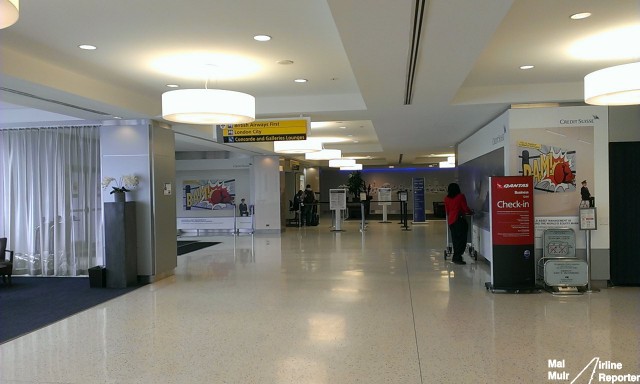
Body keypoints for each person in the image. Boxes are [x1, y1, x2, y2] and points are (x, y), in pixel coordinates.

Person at [444, 183, 473, 265]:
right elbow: (465, 208)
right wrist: (471, 212)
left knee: (455, 240)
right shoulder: (460, 196)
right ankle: (457, 257)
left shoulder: (446, 198)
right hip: (459, 220)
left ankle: (456, 257)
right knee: (462, 239)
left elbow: (447, 210)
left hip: (451, 221)